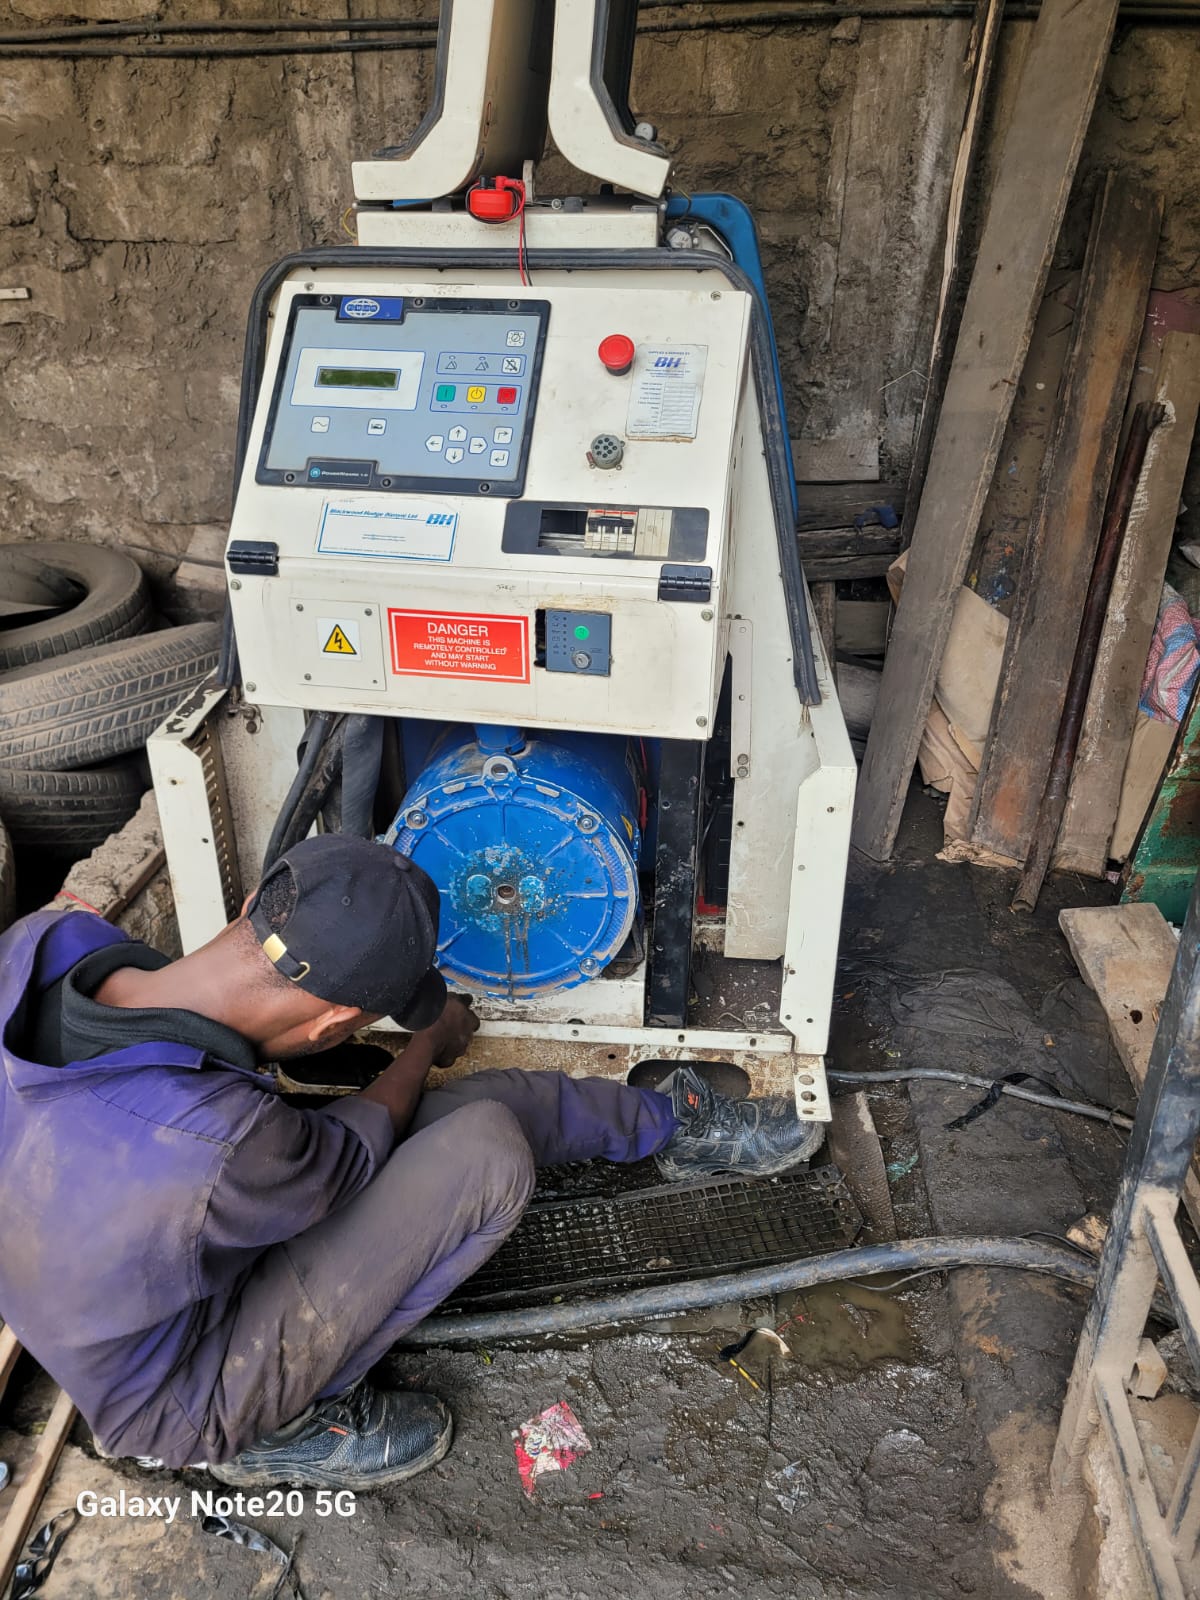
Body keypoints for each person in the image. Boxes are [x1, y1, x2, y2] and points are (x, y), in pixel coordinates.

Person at [0, 834, 822, 1492]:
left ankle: (666, 1125)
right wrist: (427, 1043)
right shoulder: (225, 1143)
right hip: (182, 1389)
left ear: (255, 904)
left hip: (123, 1250)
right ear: (331, 1026)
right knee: (486, 1155)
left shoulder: (48, 941)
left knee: (489, 1106)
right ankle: (278, 1432)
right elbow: (354, 1144)